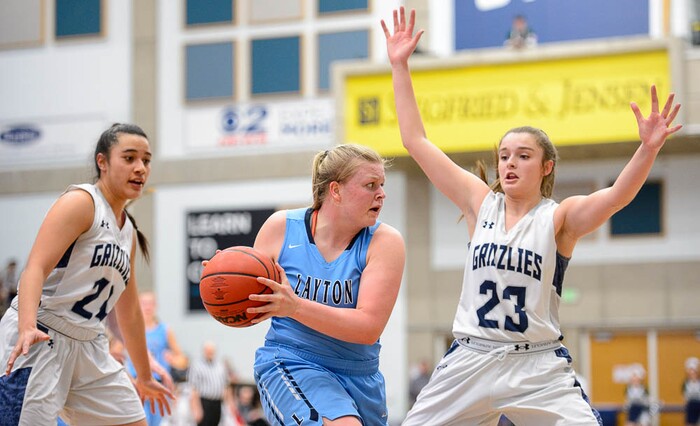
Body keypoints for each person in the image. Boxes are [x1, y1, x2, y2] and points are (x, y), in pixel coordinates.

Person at [382, 7, 682, 425]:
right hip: (470, 356)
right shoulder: (478, 201)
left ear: (546, 167)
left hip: (536, 365)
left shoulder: (559, 218)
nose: (510, 163)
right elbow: (415, 140)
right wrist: (400, 65)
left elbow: (615, 197)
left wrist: (647, 149)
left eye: (523, 156)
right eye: (504, 155)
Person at [0, 123, 174, 425]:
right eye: (129, 158)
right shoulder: (82, 202)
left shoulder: (128, 231)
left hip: (89, 344)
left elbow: (129, 312)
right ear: (102, 162)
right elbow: (34, 269)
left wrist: (144, 374)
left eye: (146, 160)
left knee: (133, 421)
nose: (140, 168)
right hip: (41, 333)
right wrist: (27, 326)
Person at [248, 143, 406, 425]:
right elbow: (250, 302)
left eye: (382, 184)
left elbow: (368, 328)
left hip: (361, 374)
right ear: (335, 191)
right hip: (291, 361)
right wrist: (223, 283)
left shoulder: (385, 242)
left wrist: (295, 306)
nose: (382, 194)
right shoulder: (281, 228)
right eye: (371, 185)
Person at [126, 291, 188, 426]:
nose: (147, 307)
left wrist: (173, 359)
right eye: (144, 303)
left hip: (157, 386)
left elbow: (183, 360)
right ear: (137, 306)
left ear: (156, 306)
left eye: (151, 303)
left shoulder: (165, 330)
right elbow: (114, 353)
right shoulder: (129, 329)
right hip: (136, 385)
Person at [188, 340, 237, 426]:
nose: (210, 353)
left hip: (217, 402)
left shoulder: (220, 366)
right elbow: (194, 389)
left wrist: (230, 404)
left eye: (212, 351)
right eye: (208, 351)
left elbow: (226, 386)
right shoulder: (197, 365)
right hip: (204, 401)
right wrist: (196, 408)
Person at [684, 357, 700, 426]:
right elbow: (685, 396)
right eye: (691, 371)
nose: (692, 373)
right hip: (691, 405)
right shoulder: (686, 383)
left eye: (694, 371)